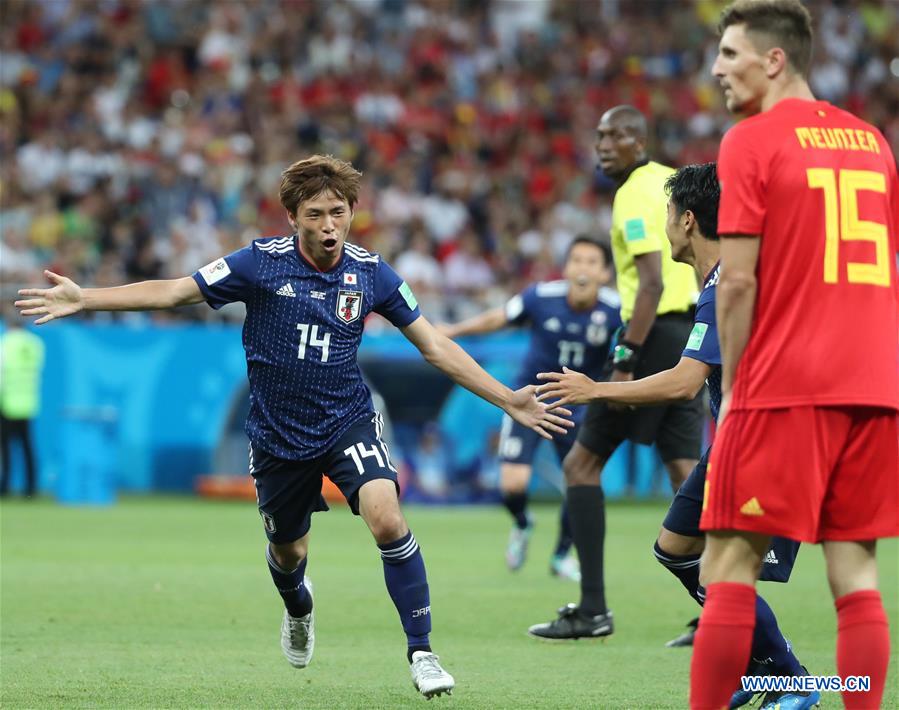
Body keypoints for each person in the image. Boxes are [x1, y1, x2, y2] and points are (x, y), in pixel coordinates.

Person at [15, 154, 573, 700]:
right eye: (315, 214)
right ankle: (298, 608)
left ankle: (422, 652)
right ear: (293, 217)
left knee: (386, 516)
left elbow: (435, 346)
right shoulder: (258, 263)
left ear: (352, 210)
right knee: (288, 552)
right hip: (278, 437)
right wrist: (84, 297)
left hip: (347, 422)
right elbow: (174, 290)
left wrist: (509, 401)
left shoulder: (373, 274)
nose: (328, 225)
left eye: (338, 212)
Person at [536, 163, 817, 710]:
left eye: (667, 213)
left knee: (720, 569)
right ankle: (764, 668)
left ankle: (790, 677)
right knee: (676, 547)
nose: (663, 224)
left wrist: (596, 390)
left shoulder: (726, 286)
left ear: (687, 220)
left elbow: (684, 382)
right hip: (743, 439)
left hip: (767, 439)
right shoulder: (724, 280)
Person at [692, 2, 899, 709]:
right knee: (856, 577)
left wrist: (739, 386)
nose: (716, 69)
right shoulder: (872, 142)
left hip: (784, 384)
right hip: (873, 384)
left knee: (726, 563)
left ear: (772, 59)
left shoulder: (750, 140)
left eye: (727, 54)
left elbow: (738, 279)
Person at [528, 105, 702, 641]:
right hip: (688, 329)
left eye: (615, 136)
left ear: (637, 140)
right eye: (599, 135)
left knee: (581, 466)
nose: (604, 145)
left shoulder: (630, 194)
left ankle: (593, 608)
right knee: (687, 475)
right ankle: (724, 609)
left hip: (647, 338)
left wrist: (625, 358)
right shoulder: (668, 182)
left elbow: (649, 280)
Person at [439, 237, 622, 581]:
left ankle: (562, 554)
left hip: (577, 407)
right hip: (530, 402)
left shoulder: (617, 308)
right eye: (577, 260)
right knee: (513, 484)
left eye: (592, 262)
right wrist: (455, 330)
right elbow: (500, 317)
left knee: (581, 479)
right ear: (566, 267)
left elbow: (636, 340)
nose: (583, 268)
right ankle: (523, 523)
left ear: (605, 272)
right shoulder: (541, 297)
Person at [0, 315, 45, 498]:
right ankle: (31, 487)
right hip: (28, 401)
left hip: (7, 401)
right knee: (27, 446)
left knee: (5, 447)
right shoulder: (35, 344)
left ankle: (5, 487)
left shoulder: (6, 343)